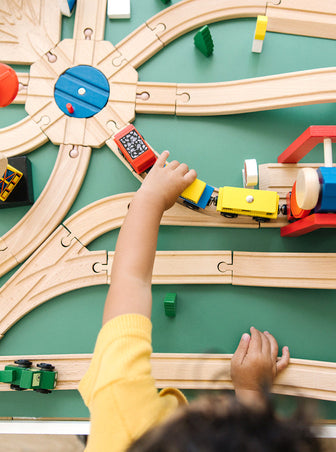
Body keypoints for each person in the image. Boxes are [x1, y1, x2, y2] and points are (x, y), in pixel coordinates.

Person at [79, 151, 320, 452]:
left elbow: (130, 281)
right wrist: (249, 392)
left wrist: (150, 199)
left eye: (214, 413)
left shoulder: (123, 416)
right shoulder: (125, 420)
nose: (216, 403)